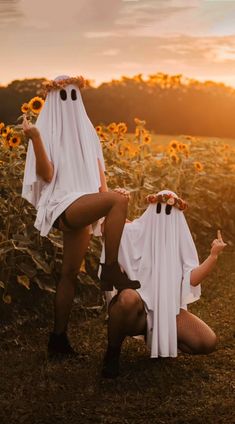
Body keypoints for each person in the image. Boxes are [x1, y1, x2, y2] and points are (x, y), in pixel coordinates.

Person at [21, 75, 140, 359]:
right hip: (64, 205)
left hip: (84, 206)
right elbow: (47, 175)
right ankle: (110, 269)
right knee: (118, 199)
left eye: (75, 95)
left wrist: (113, 211)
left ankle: (58, 338)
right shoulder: (46, 130)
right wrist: (35, 138)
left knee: (69, 275)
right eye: (64, 96)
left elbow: (101, 185)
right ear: (53, 100)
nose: (70, 102)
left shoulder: (88, 133)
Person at [101, 190, 227, 378]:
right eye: (158, 209)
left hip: (168, 312)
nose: (163, 216)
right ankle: (112, 353)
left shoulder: (179, 243)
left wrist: (213, 256)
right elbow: (106, 229)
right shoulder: (134, 231)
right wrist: (119, 200)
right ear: (150, 210)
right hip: (137, 310)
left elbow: (192, 277)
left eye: (168, 212)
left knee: (207, 341)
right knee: (127, 297)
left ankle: (163, 335)